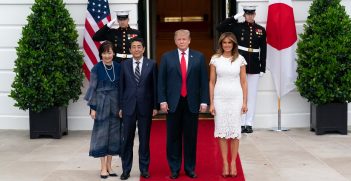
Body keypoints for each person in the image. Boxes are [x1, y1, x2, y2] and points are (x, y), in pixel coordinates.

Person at [158, 29, 209, 179]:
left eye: (184, 39)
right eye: (179, 39)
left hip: (191, 103)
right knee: (173, 138)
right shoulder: (167, 57)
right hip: (173, 103)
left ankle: (189, 168)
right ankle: (174, 168)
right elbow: (161, 82)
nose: (181, 41)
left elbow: (203, 82)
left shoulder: (199, 57)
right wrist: (162, 100)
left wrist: (204, 100)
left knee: (190, 138)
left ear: (189, 40)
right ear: (175, 41)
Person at [216, 5, 266, 133]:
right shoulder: (237, 27)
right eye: (247, 14)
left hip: (254, 64)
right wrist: (234, 17)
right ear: (244, 15)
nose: (250, 16)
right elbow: (219, 28)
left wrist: (262, 67)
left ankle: (249, 123)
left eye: (252, 14)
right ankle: (241, 122)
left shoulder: (260, 30)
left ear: (254, 15)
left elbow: (263, 50)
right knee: (240, 94)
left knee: (252, 96)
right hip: (239, 64)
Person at [209, 32, 248, 177]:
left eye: (229, 42)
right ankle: (225, 163)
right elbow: (212, 82)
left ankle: (233, 163)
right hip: (220, 98)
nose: (227, 45)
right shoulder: (215, 59)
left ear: (234, 44)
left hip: (236, 98)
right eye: (224, 42)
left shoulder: (240, 60)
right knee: (222, 132)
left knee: (235, 133)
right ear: (221, 44)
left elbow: (244, 82)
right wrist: (211, 102)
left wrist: (245, 102)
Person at [118, 38, 158, 180]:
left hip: (145, 107)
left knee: (144, 140)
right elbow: (121, 88)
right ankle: (126, 170)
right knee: (127, 140)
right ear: (130, 50)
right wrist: (120, 107)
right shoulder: (124, 65)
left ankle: (144, 169)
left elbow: (154, 86)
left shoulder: (151, 64)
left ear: (144, 49)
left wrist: (155, 106)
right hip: (128, 107)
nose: (136, 49)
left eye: (139, 47)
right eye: (133, 47)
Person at [84, 41, 121, 179]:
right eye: (104, 53)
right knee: (101, 135)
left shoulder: (119, 67)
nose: (107, 55)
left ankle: (110, 166)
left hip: (116, 105)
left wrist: (122, 106)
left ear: (113, 53)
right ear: (101, 54)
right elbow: (92, 88)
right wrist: (93, 108)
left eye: (109, 52)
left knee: (114, 135)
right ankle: (102, 167)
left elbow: (122, 88)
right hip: (101, 104)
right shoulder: (96, 68)